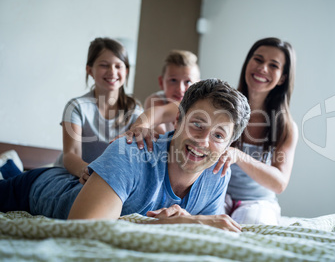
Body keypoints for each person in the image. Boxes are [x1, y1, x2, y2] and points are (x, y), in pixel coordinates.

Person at [0, 79, 250, 232]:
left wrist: (191, 222)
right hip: (40, 188)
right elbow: (83, 227)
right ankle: (11, 166)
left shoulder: (218, 173)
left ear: (229, 143)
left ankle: (11, 165)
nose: (203, 141)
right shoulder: (131, 152)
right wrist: (180, 223)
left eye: (219, 135)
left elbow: (205, 224)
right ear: (178, 119)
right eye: (197, 124)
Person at [126, 37, 298, 225]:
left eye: (273, 65)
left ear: (282, 77)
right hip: (214, 193)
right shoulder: (223, 101)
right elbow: (160, 112)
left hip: (256, 201)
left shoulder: (285, 126)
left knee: (247, 224)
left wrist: (238, 155)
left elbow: (279, 183)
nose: (263, 68)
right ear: (247, 63)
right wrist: (139, 129)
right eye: (258, 59)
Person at [54, 37, 143, 184]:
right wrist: (90, 173)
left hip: (106, 180)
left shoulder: (135, 110)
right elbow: (71, 154)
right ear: (89, 70)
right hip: (71, 174)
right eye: (104, 65)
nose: (112, 72)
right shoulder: (76, 107)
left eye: (118, 66)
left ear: (126, 71)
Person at [143, 49, 200, 134]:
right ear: (161, 82)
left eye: (187, 82)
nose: (180, 88)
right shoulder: (155, 101)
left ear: (198, 86)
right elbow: (163, 138)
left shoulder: (202, 105)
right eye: (173, 80)